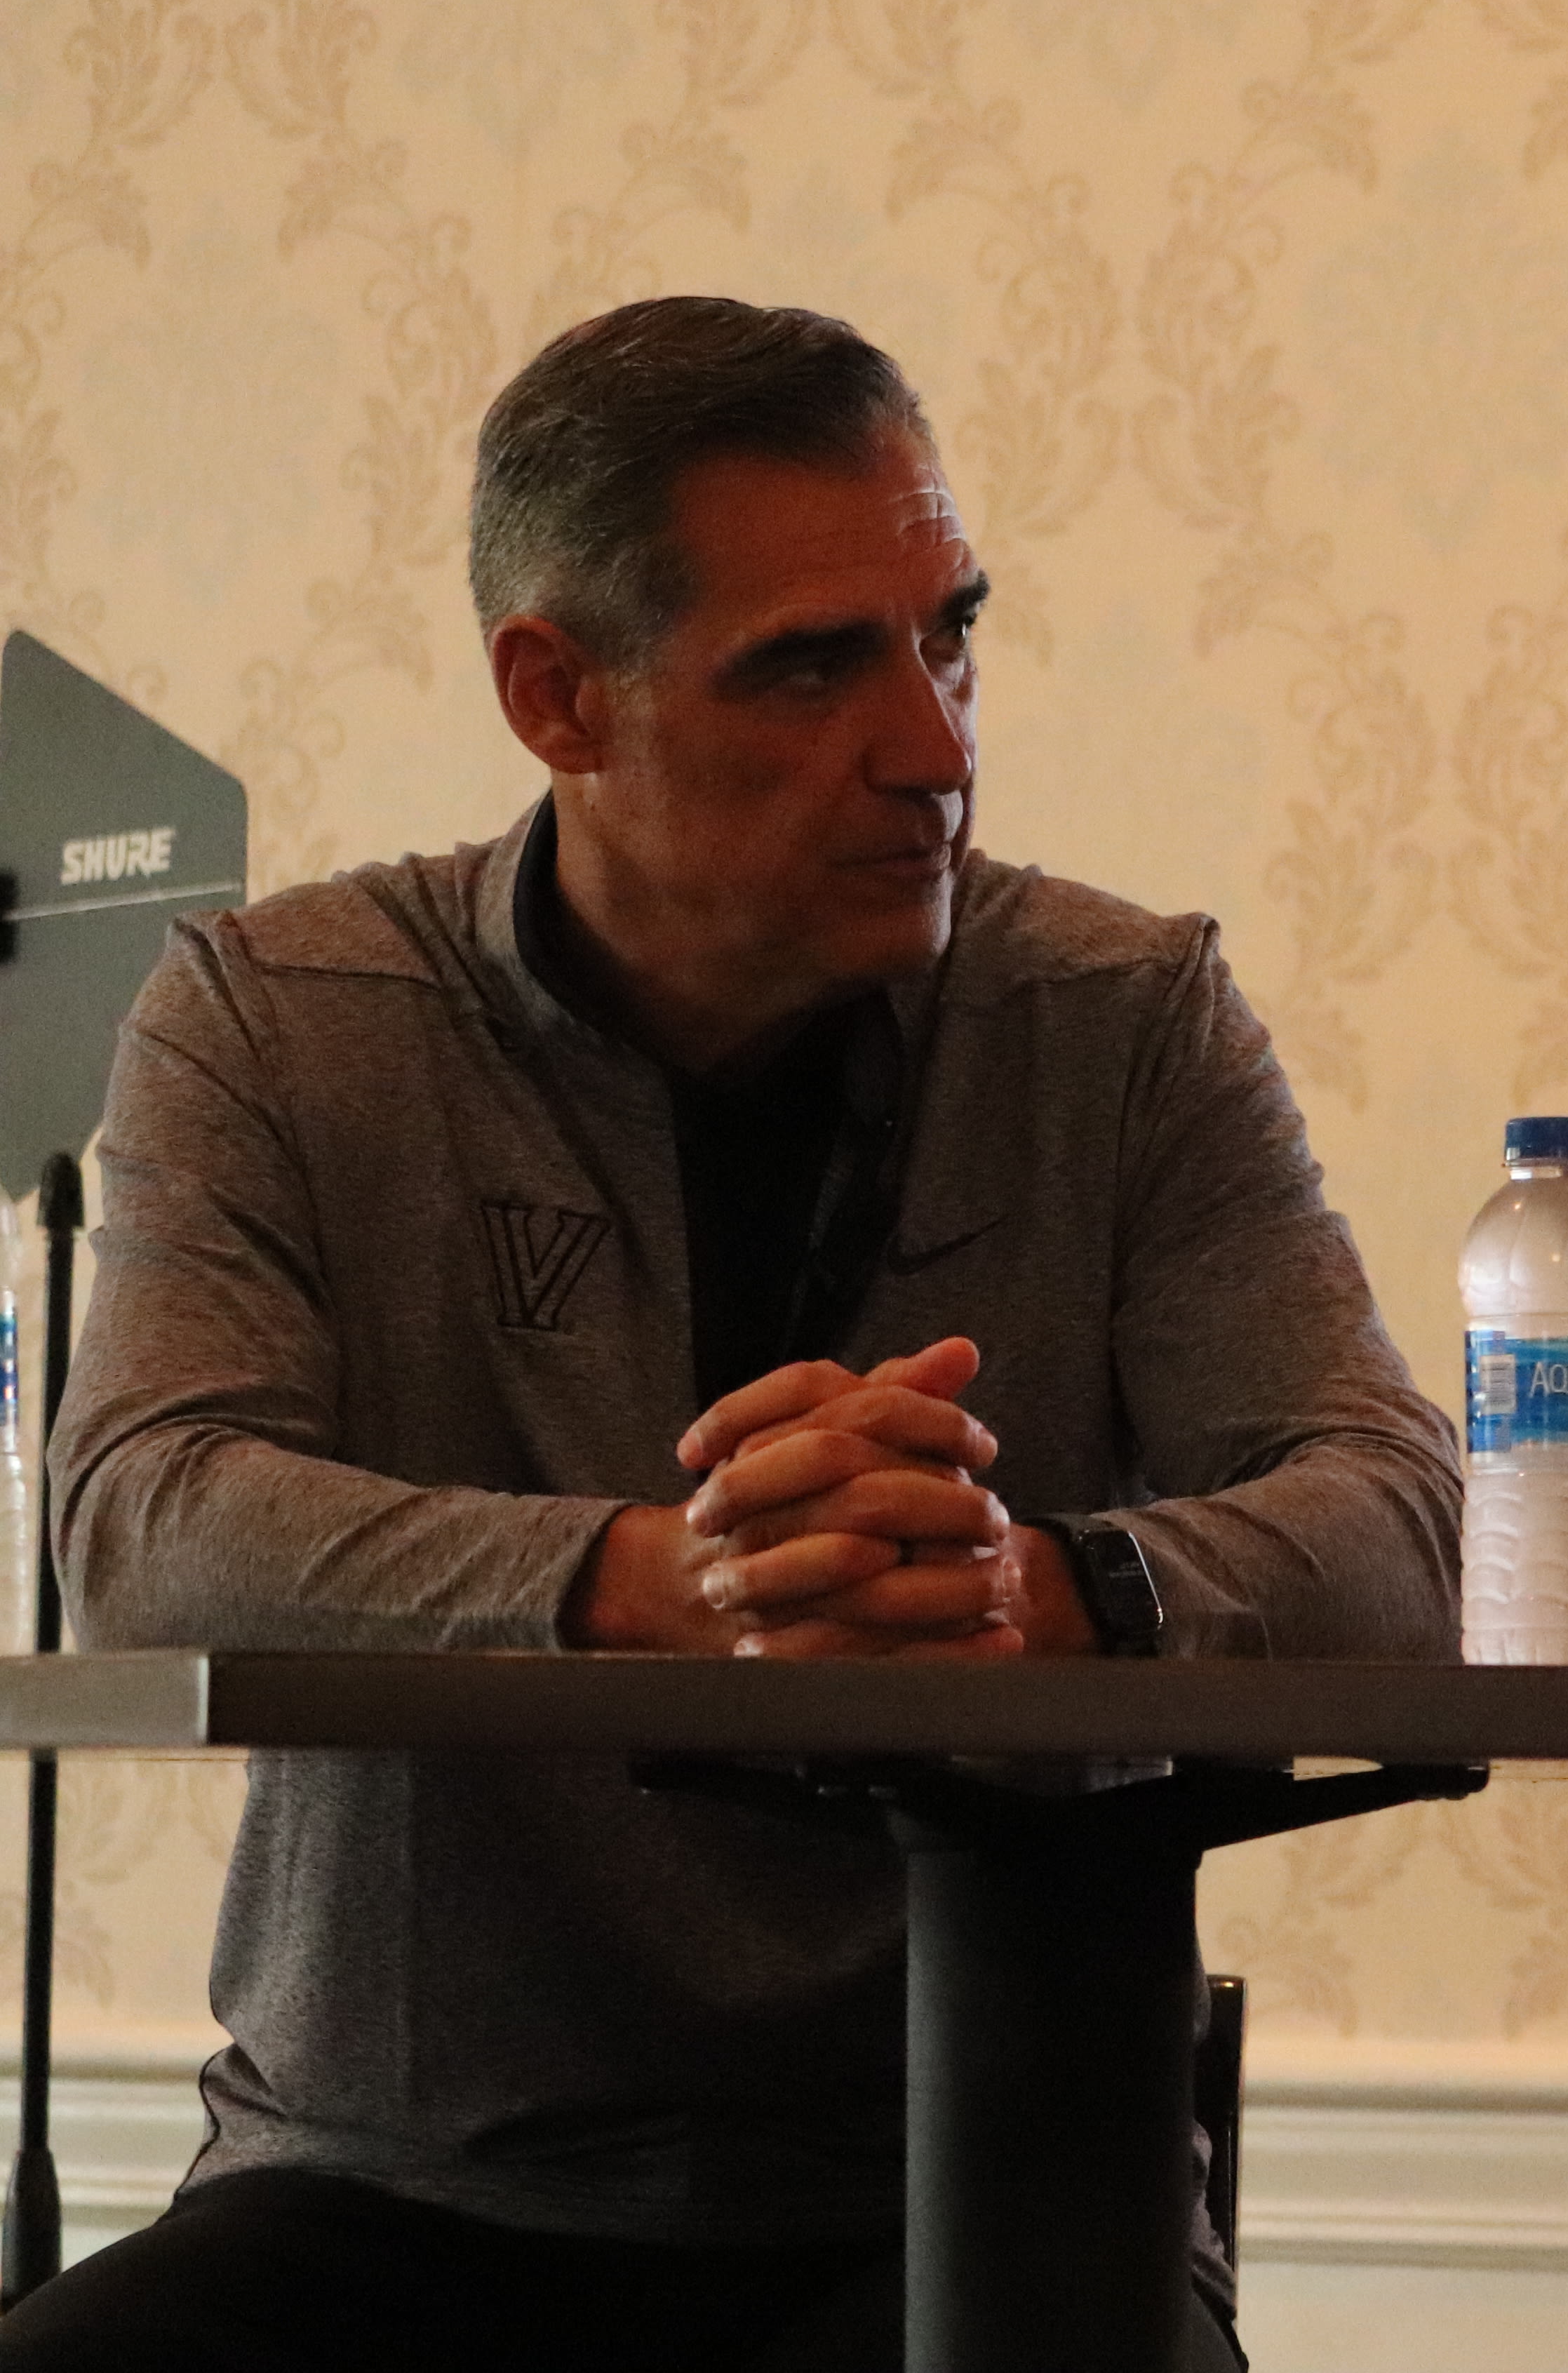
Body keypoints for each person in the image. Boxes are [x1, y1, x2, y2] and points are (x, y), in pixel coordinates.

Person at [6, 298, 1461, 2373]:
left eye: (948, 630)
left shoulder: (1122, 1018)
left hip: (973, 2178)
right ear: (556, 696)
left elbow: (1399, 1523)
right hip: (389, 2193)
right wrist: (667, 1585)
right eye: (811, 663)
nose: (936, 742)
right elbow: (144, 1523)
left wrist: (1033, 1588)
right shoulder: (278, 1019)